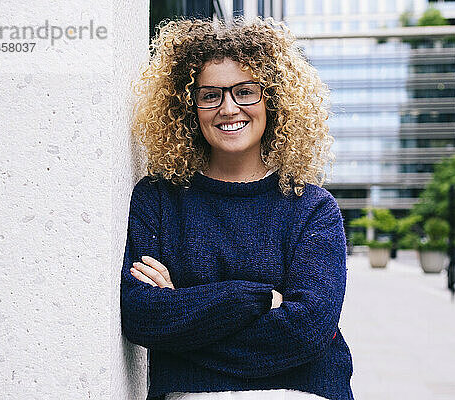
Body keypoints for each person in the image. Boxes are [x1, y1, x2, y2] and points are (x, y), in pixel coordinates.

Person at [121, 17, 354, 400]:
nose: (228, 108)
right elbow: (142, 316)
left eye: (246, 91)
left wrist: (186, 315)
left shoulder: (312, 208)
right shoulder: (158, 199)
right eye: (210, 95)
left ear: (273, 99)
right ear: (188, 106)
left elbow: (308, 330)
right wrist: (257, 299)